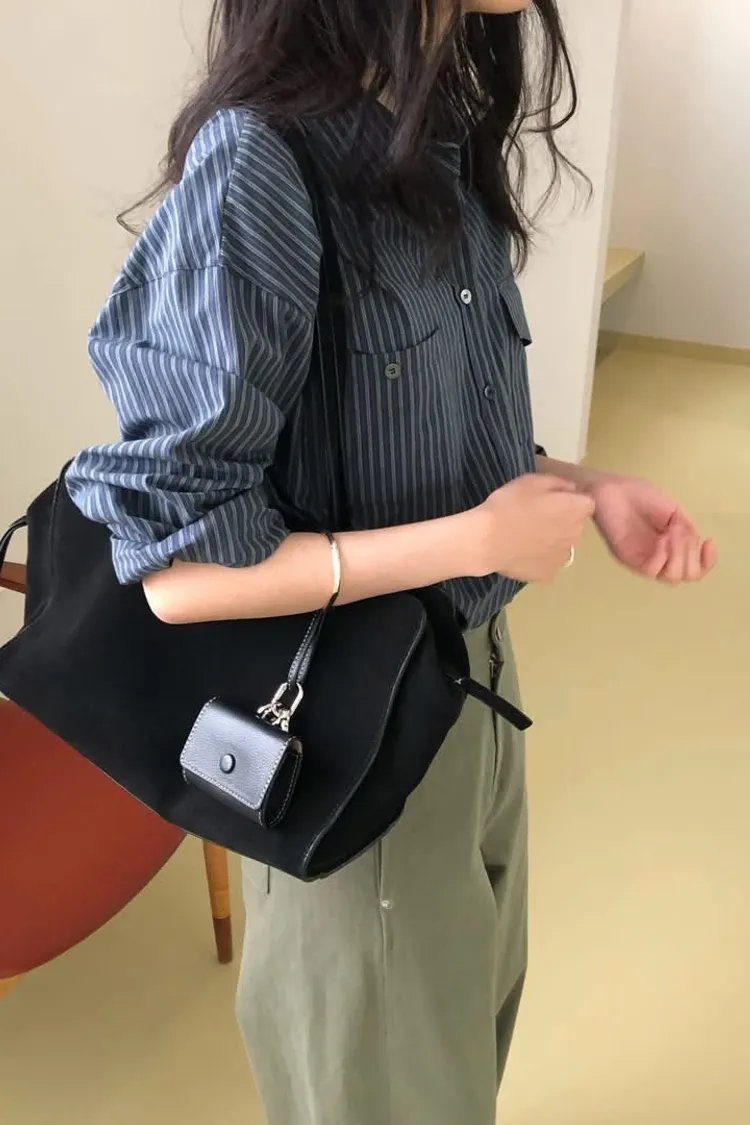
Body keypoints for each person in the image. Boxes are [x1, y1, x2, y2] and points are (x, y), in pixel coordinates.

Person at [67, 1, 718, 1121]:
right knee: (390, 1091)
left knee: (460, 1051)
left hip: (473, 687)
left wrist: (582, 485)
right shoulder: (260, 165)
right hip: (348, 730)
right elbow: (176, 573)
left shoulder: (432, 124)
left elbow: (400, 448)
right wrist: (475, 541)